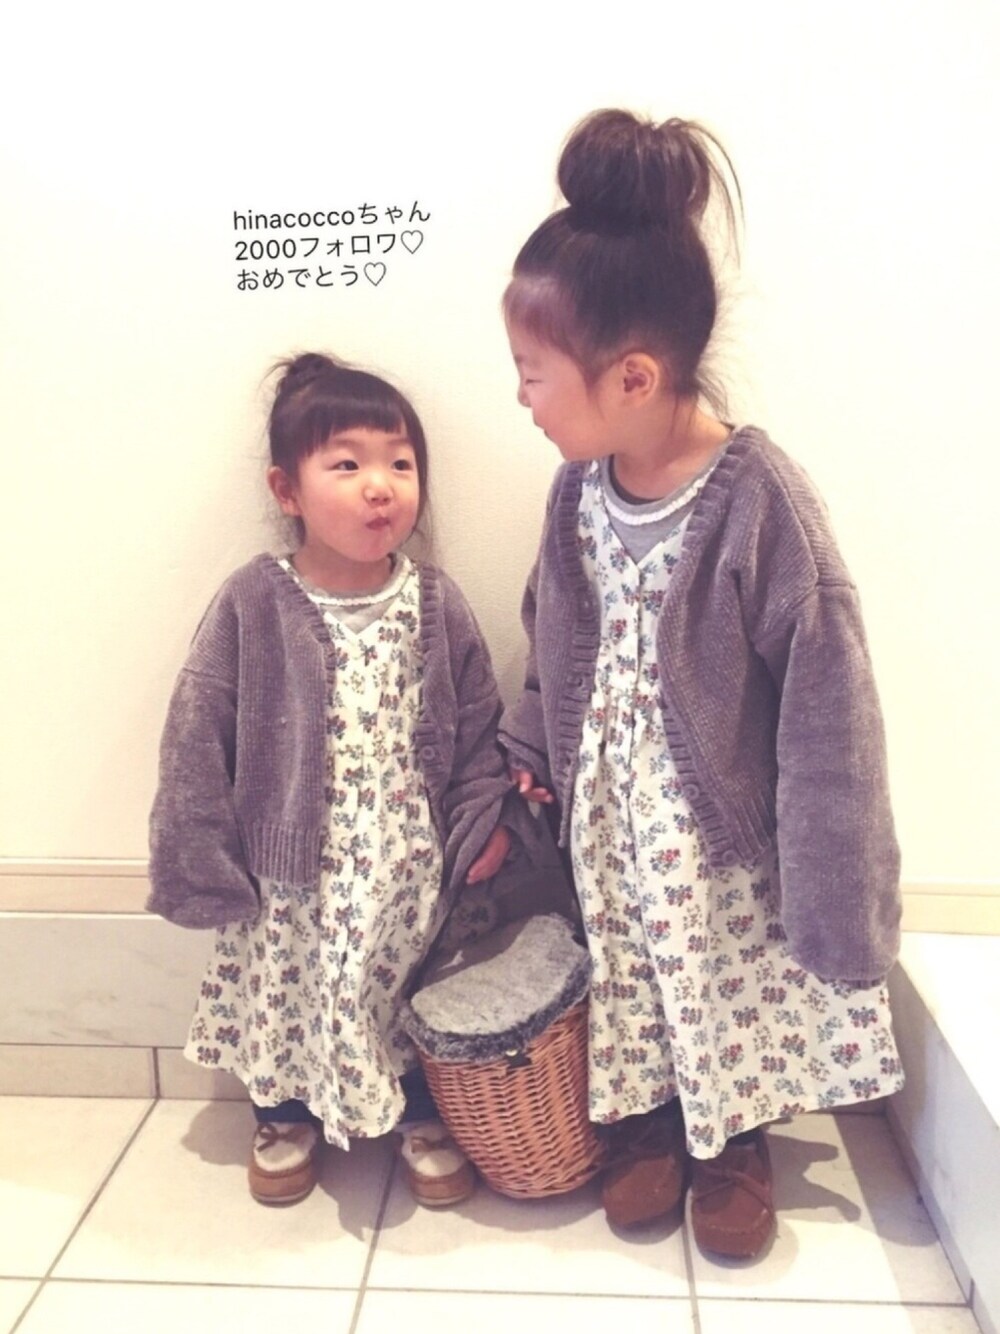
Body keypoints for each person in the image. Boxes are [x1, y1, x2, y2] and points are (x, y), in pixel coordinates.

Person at [499, 109, 904, 1259]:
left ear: (630, 376)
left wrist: (840, 886)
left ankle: (732, 1141)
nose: (521, 399)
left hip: (718, 841)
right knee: (630, 971)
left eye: (533, 375)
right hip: (609, 828)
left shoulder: (757, 501)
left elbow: (831, 709)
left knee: (720, 982)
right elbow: (547, 636)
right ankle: (647, 1123)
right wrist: (528, 753)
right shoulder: (576, 494)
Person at [148, 352, 522, 1207]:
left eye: (400, 463)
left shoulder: (435, 603)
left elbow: (476, 725)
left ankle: (420, 1108)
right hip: (291, 874)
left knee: (410, 987)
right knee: (289, 989)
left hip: (409, 863)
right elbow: (197, 732)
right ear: (288, 490)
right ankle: (284, 1113)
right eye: (346, 465)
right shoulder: (254, 602)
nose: (379, 487)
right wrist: (199, 856)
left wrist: (484, 822)